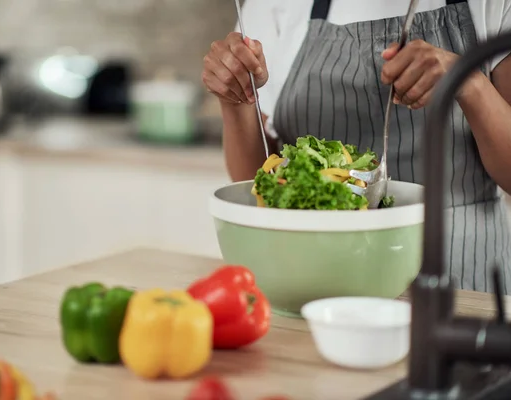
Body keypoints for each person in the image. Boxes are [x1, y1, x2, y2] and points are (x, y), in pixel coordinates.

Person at [201, 0, 511, 294]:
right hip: (313, 282)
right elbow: (258, 182)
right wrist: (235, 99)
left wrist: (469, 82)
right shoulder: (272, 5)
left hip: (463, 277)